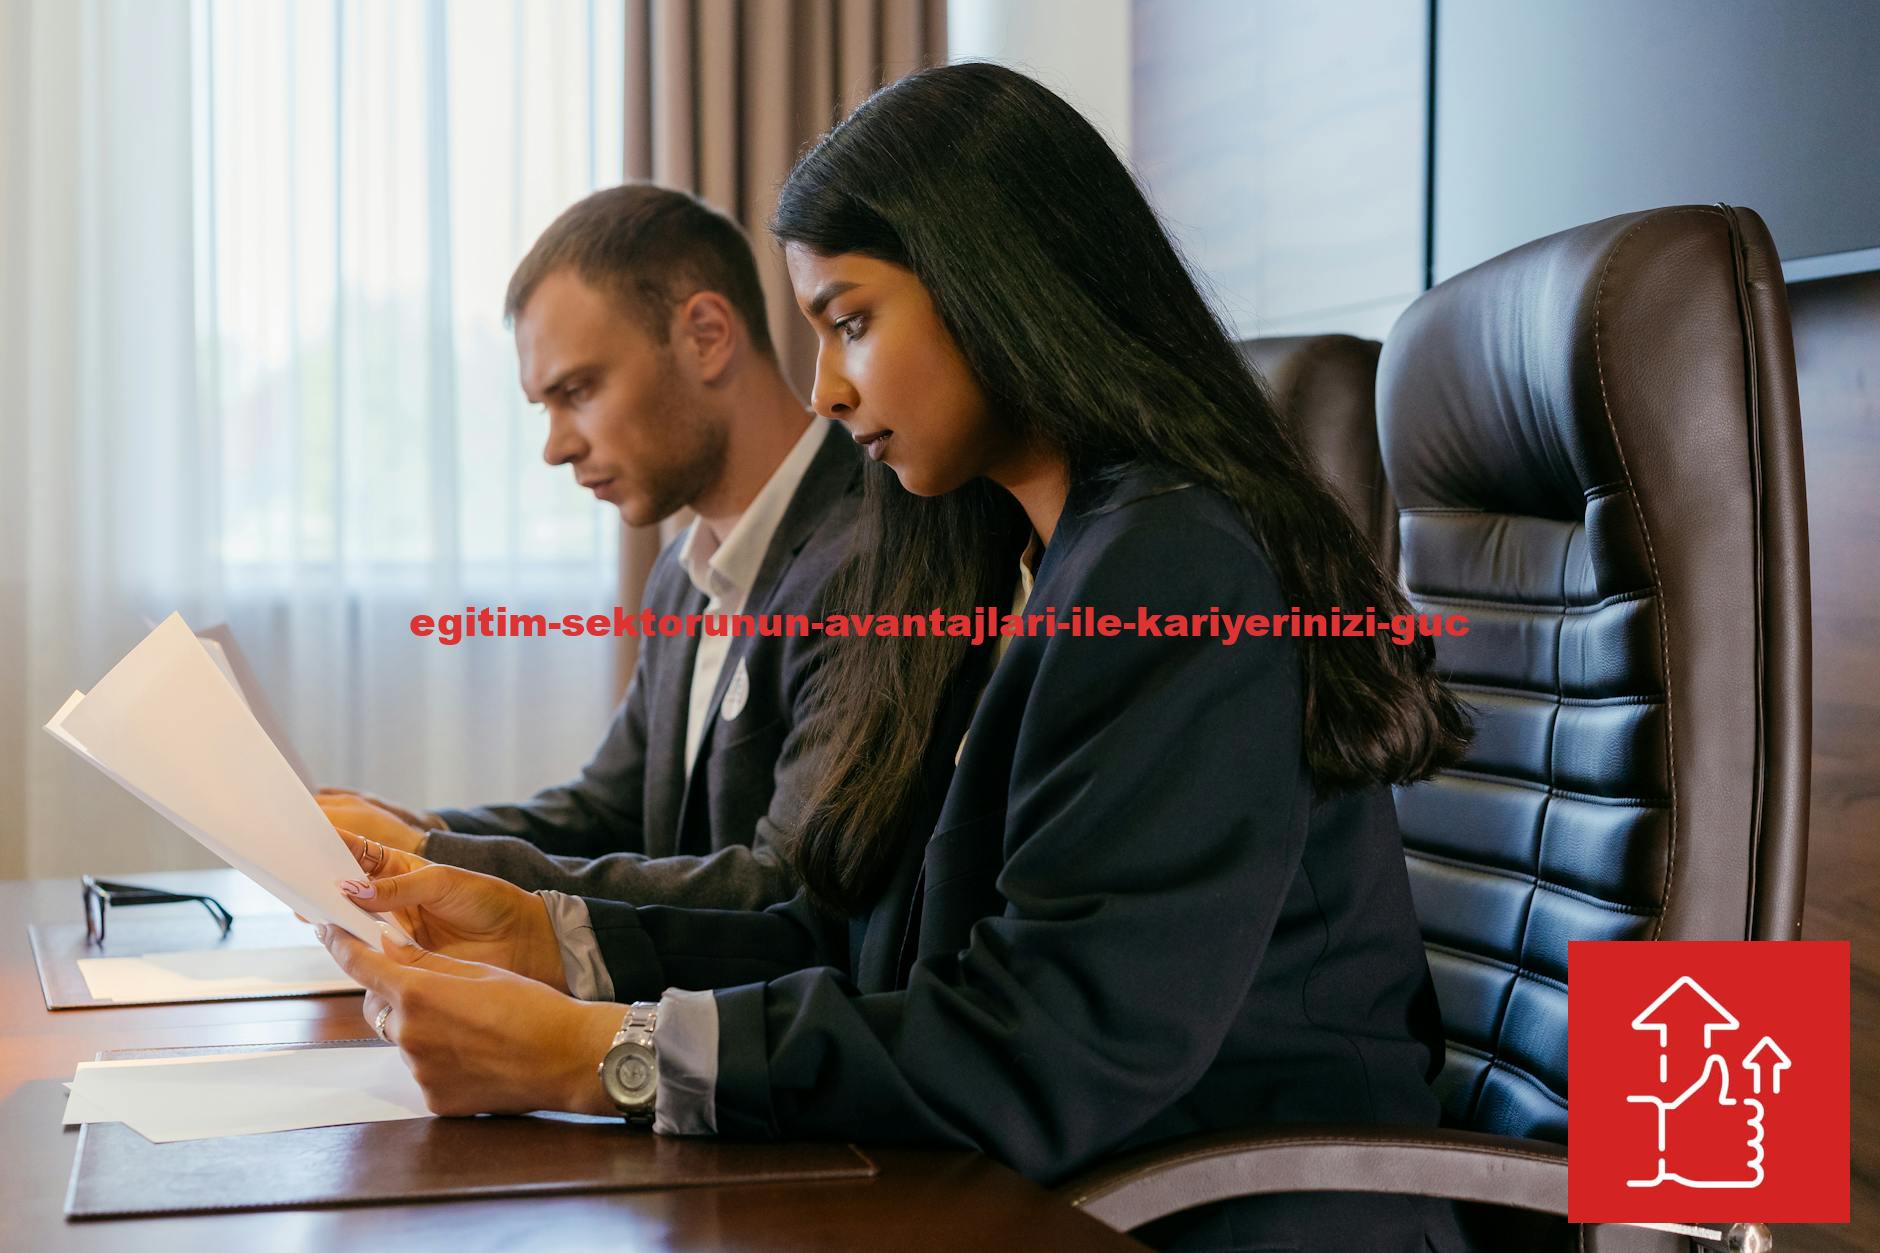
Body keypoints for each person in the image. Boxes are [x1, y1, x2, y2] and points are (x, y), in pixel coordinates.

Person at [317, 63, 1477, 1251]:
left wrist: (601, 1057)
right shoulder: (999, 560)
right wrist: (543, 935)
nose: (822, 387)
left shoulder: (1171, 570)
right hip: (1049, 1189)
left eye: (852, 321)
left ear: (999, 286)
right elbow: (850, 924)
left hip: (1225, 1214)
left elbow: (1044, 1044)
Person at [320, 184, 861, 910]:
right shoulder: (683, 575)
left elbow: (783, 890)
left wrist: (430, 858)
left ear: (706, 334)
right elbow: (611, 811)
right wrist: (416, 833)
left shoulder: (864, 555)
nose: (556, 447)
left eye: (577, 390)